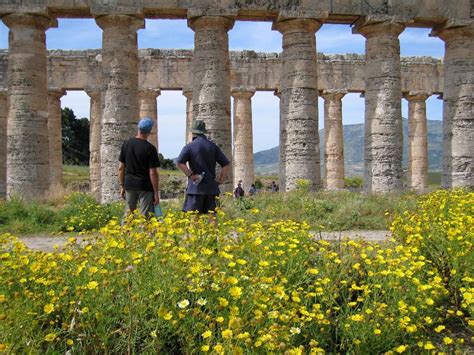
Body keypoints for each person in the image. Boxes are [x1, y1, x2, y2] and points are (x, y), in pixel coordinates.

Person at [176, 120, 231, 214]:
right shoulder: (213, 146)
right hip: (211, 188)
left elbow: (180, 162)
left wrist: (190, 175)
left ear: (193, 132)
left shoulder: (190, 146)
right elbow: (225, 164)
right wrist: (220, 180)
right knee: (212, 216)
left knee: (194, 217)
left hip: (195, 189)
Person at [118, 117, 160, 217]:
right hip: (145, 186)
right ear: (149, 131)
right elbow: (152, 173)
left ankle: (124, 232)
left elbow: (120, 168)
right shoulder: (150, 148)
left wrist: (122, 185)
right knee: (145, 216)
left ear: (138, 128)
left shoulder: (126, 144)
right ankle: (144, 232)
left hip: (129, 184)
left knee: (128, 214)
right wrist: (156, 192)